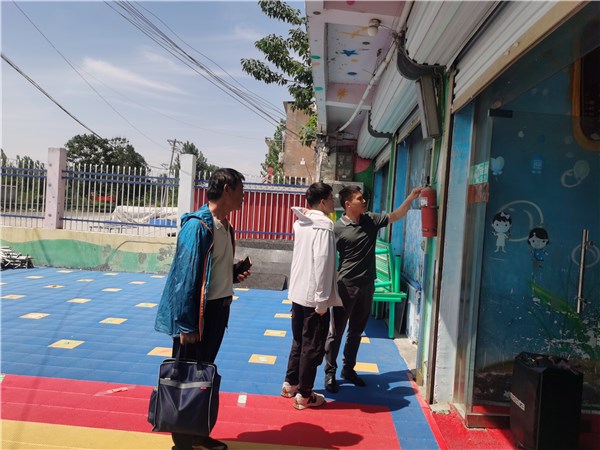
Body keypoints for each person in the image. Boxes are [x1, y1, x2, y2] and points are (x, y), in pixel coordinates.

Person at [155, 168, 250, 450]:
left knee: (203, 376)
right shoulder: (197, 226)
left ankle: (198, 433)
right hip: (197, 316)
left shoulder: (225, 226)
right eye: (241, 190)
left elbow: (210, 270)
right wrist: (186, 324)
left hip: (218, 311)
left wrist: (232, 274)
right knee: (186, 377)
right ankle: (182, 444)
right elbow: (184, 277)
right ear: (226, 189)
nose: (244, 196)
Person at [324, 184, 424, 393]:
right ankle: (330, 372)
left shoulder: (371, 220)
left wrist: (410, 198)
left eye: (363, 198)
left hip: (367, 285)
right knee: (337, 332)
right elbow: (328, 257)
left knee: (356, 331)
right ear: (348, 204)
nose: (364, 201)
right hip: (345, 286)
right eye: (359, 199)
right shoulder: (337, 228)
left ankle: (348, 369)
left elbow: (396, 216)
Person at [281, 182, 343, 409]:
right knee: (312, 346)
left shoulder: (302, 222)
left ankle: (290, 384)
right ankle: (305, 395)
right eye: (331, 198)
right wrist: (322, 299)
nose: (334, 202)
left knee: (298, 340)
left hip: (298, 292)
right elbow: (323, 262)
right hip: (313, 297)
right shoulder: (324, 226)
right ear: (323, 201)